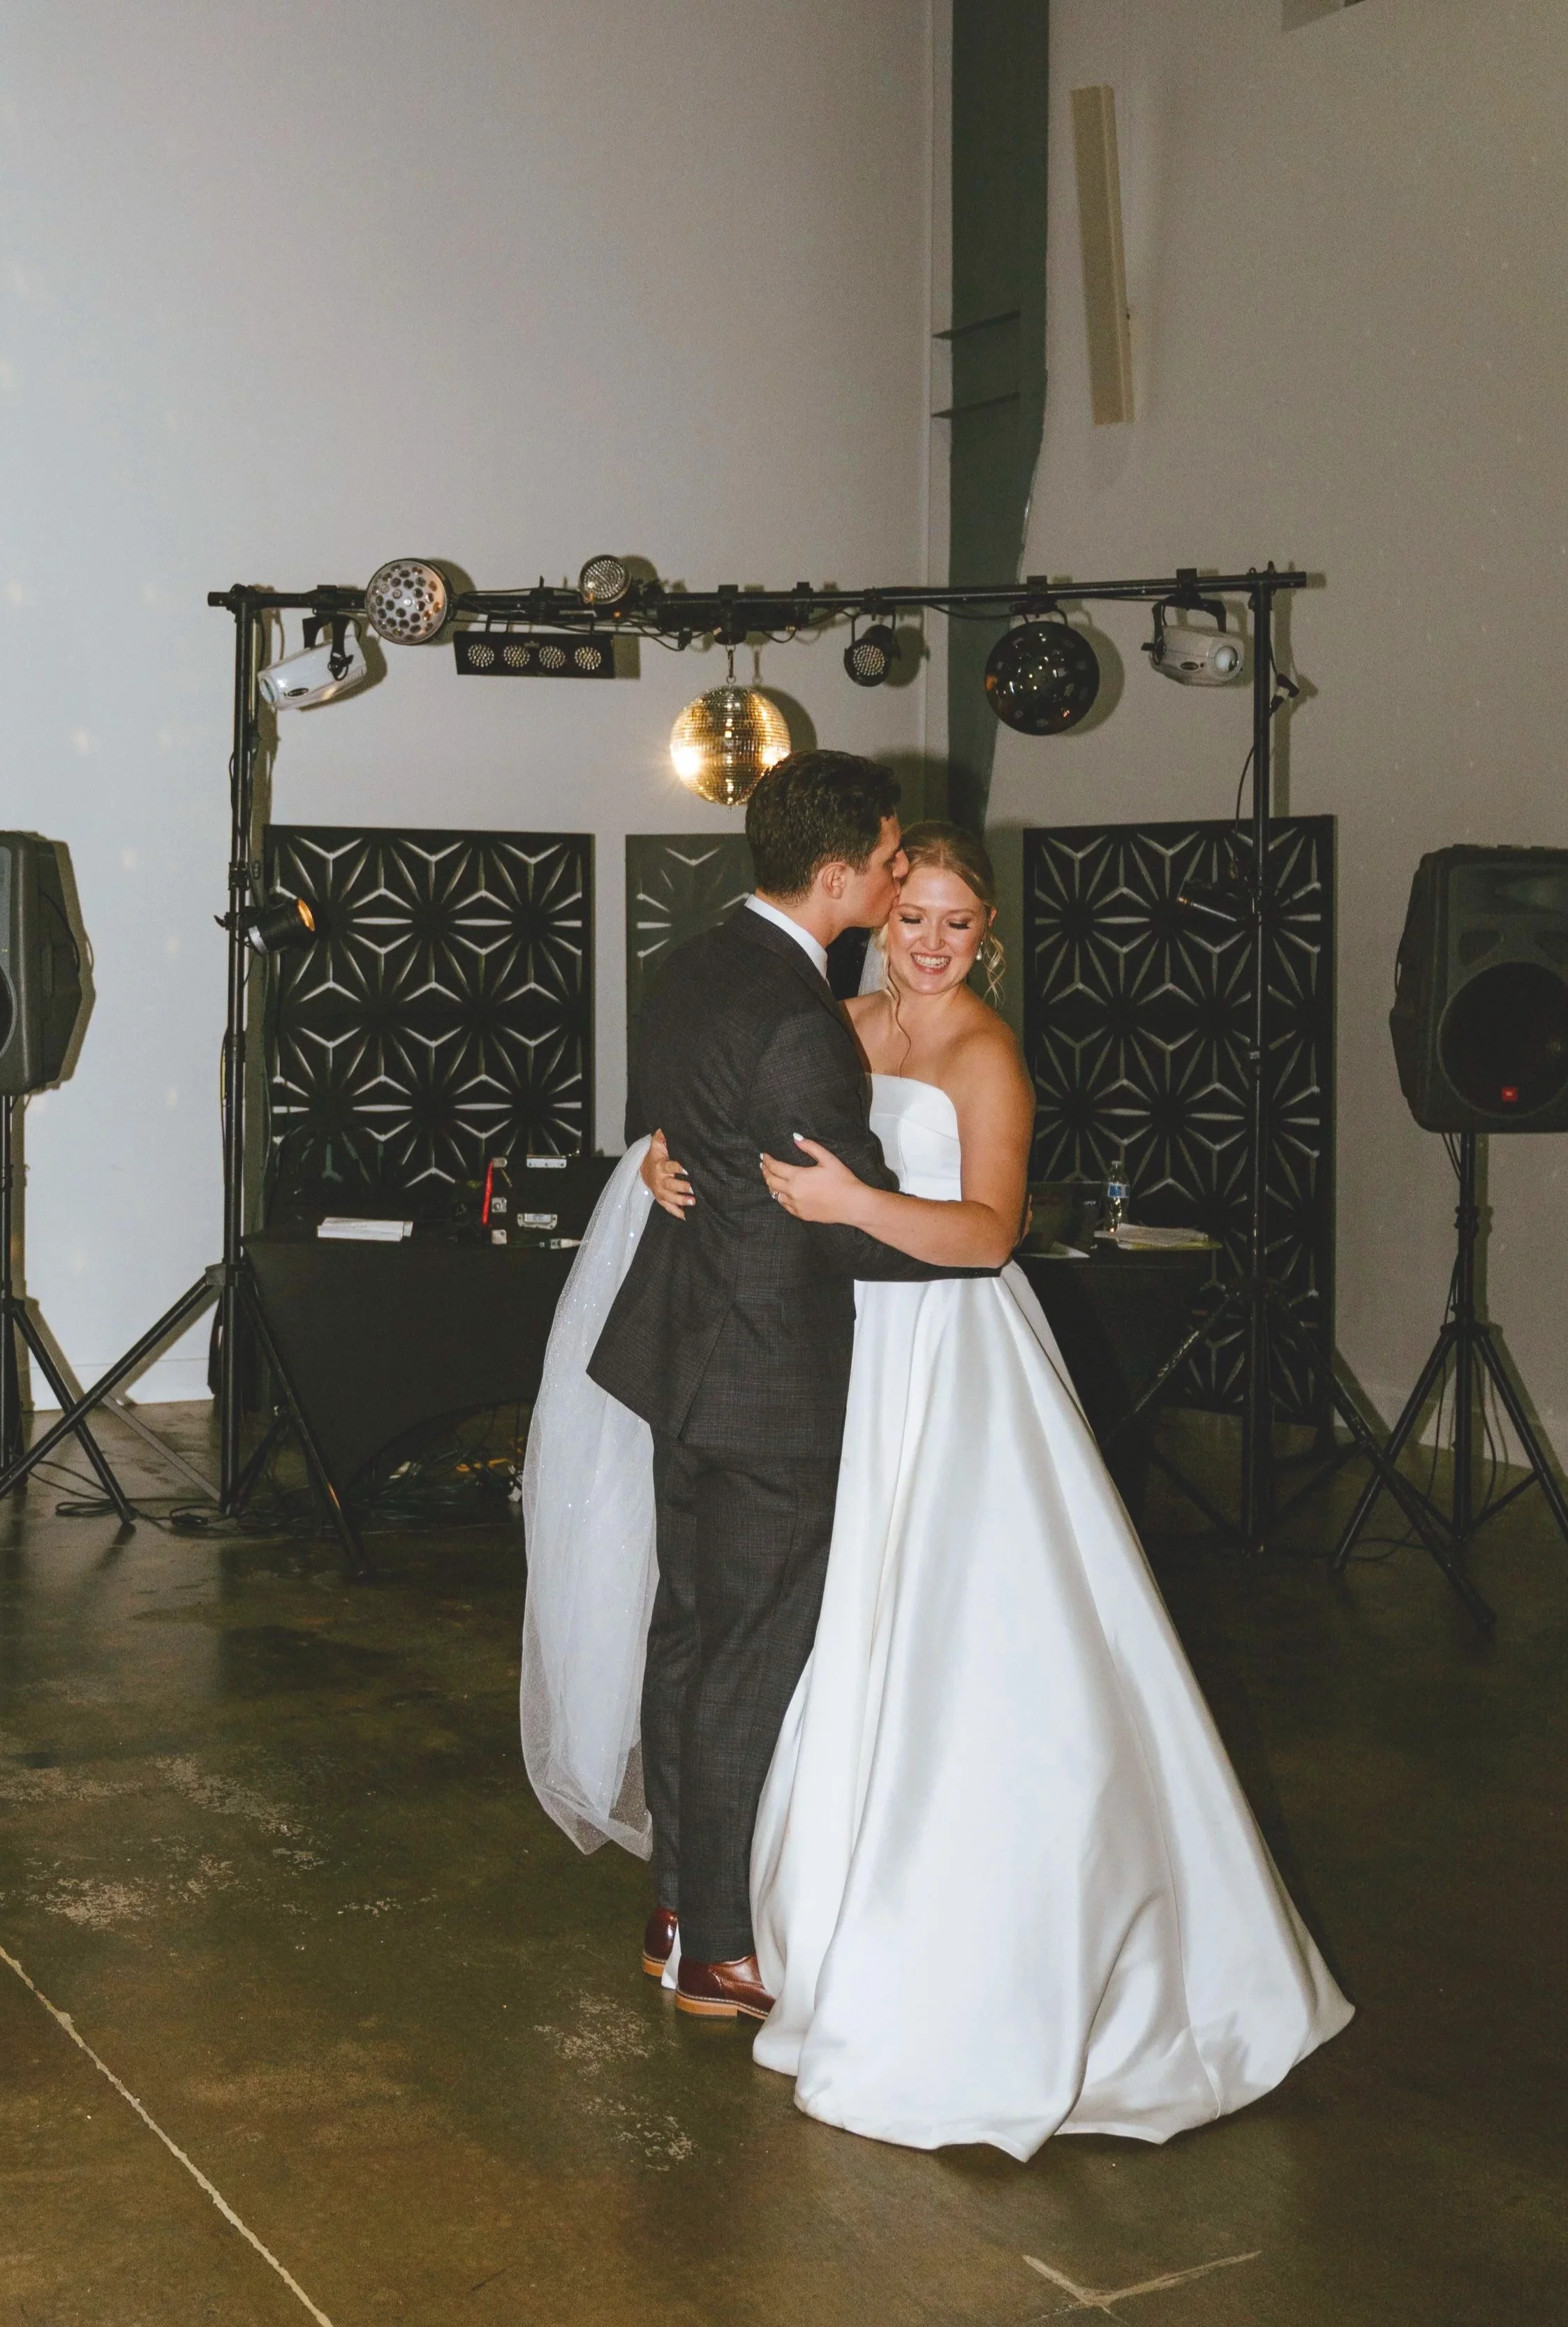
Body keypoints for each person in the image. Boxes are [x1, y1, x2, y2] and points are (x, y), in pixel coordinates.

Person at [520, 808, 1352, 2157]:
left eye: (960, 925)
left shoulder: (985, 1053)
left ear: (991, 940)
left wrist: (857, 1210)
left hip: (943, 1358)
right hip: (832, 1356)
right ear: (881, 908)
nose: (930, 945)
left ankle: (896, 1920)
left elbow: (989, 1233)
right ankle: (741, 1907)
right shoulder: (829, 1020)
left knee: (944, 1635)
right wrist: (664, 1161)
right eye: (915, 917)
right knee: (795, 1635)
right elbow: (737, 1127)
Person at [575, 753, 993, 2023]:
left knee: (691, 1640)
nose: (894, 877)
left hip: (688, 1362)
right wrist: (885, 1212)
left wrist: (669, 1161)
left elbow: (684, 1129)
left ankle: (671, 1912)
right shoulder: (805, 1021)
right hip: (772, 1384)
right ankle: (718, 1949)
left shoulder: (692, 962)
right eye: (883, 865)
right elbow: (848, 1232)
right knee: (749, 1658)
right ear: (837, 877)